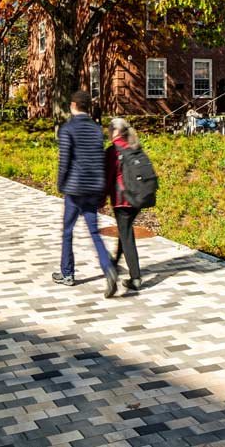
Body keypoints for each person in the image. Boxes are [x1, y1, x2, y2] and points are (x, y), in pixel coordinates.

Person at [52, 89, 119, 297]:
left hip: (74, 188)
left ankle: (67, 273)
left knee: (68, 231)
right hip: (93, 187)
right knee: (93, 232)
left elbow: (65, 162)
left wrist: (60, 183)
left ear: (72, 105)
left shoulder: (67, 129)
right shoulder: (96, 129)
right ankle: (108, 268)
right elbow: (99, 159)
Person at [103, 117, 144, 294]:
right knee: (124, 234)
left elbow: (108, 178)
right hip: (138, 198)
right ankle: (120, 267)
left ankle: (131, 277)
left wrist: (100, 200)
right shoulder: (135, 146)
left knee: (125, 235)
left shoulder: (113, 151)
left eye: (110, 129)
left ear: (115, 132)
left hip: (122, 200)